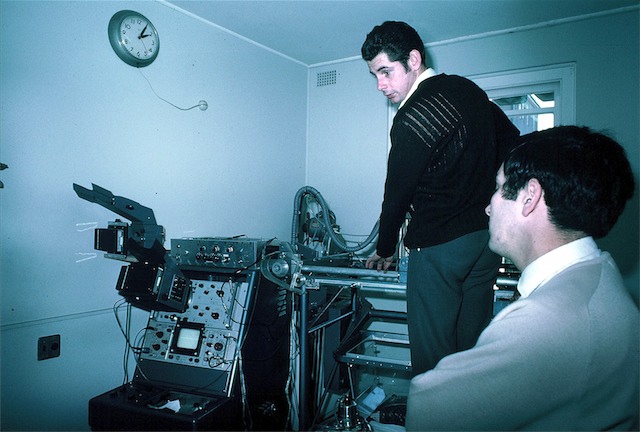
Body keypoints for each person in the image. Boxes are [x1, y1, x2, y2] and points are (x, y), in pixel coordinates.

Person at [406, 126, 638, 431]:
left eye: (499, 187)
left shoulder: (542, 322)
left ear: (530, 197)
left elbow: (428, 412)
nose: (488, 207)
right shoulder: (599, 271)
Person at [362, 21, 520, 375]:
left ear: (413, 60)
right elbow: (512, 140)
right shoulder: (467, 89)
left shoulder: (411, 116)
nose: (380, 85)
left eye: (386, 72)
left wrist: (385, 249)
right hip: (485, 243)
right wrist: (492, 194)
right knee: (472, 350)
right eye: (374, 76)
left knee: (433, 361)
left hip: (439, 247)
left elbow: (397, 191)